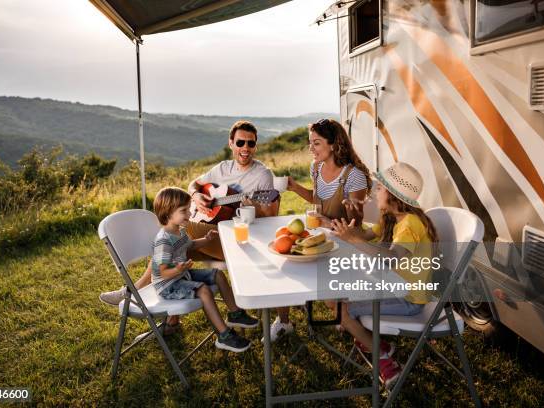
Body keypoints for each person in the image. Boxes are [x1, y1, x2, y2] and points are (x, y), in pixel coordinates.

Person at [100, 121, 278, 332]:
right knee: (178, 243)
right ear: (231, 143)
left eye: (251, 143)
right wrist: (196, 195)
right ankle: (171, 320)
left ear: (256, 146)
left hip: (240, 241)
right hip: (212, 234)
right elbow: (194, 184)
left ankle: (132, 291)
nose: (246, 148)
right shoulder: (222, 168)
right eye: (241, 142)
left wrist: (255, 205)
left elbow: (271, 216)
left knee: (177, 232)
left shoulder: (262, 175)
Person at [327, 162, 438, 388]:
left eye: (380, 188)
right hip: (390, 288)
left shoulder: (409, 225)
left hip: (408, 299)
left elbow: (390, 257)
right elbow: (365, 235)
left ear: (394, 195)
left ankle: (383, 360)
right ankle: (379, 345)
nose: (375, 191)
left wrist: (353, 239)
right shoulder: (391, 219)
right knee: (333, 298)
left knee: (341, 309)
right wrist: (340, 227)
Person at [267, 118, 372, 342]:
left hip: (347, 245)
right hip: (321, 238)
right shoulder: (316, 168)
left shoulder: (353, 176)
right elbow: (316, 199)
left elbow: (355, 224)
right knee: (286, 263)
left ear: (334, 145)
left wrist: (344, 214)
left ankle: (348, 315)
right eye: (309, 143)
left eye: (316, 143)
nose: (311, 149)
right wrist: (294, 187)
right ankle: (337, 314)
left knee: (316, 284)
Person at [151, 187, 258, 352]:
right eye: (184, 211)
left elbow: (191, 245)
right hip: (168, 285)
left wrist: (206, 239)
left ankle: (235, 314)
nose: (189, 214)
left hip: (181, 275)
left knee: (218, 274)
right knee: (204, 290)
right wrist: (178, 269)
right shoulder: (163, 240)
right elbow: (163, 272)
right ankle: (224, 335)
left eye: (188, 209)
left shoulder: (179, 231)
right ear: (168, 213)